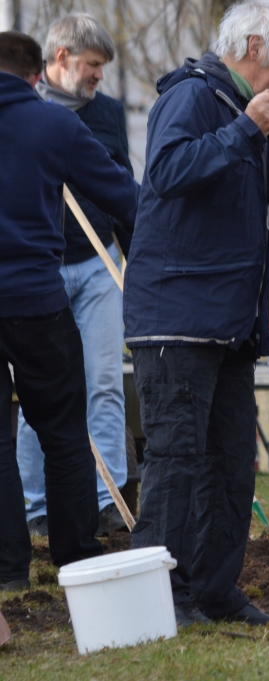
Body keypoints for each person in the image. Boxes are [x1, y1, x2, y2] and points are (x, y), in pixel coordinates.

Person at [122, 0, 269, 627]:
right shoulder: (190, 98)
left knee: (231, 465)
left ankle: (216, 591)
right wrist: (243, 129)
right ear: (254, 44)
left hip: (232, 327)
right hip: (177, 319)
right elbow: (164, 173)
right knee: (178, 466)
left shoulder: (266, 121)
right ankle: (160, 599)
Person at [0, 31, 137, 590]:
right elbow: (123, 195)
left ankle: (8, 572)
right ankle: (75, 557)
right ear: (37, 77)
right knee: (62, 431)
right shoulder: (55, 124)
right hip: (36, 300)